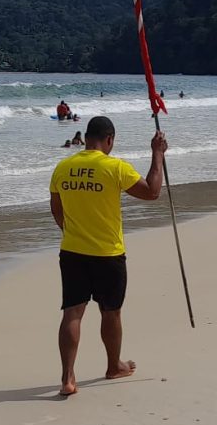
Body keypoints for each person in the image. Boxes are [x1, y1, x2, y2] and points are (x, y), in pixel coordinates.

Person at [49, 116, 167, 397]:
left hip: (72, 250)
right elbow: (152, 192)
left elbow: (56, 209)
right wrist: (158, 154)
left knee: (72, 312)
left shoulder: (63, 167)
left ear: (87, 137)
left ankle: (67, 377)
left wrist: (74, 232)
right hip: (107, 253)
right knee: (110, 311)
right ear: (110, 139)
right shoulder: (115, 167)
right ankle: (114, 365)